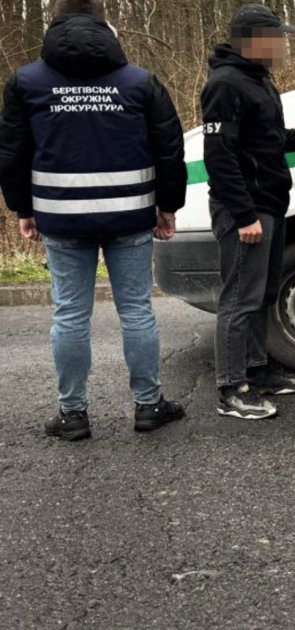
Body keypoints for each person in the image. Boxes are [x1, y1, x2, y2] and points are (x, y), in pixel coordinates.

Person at [0, 0, 188, 441]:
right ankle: (148, 405)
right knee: (137, 311)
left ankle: (73, 414)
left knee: (70, 315)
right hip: (130, 215)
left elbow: (11, 152)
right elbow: (169, 147)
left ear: (54, 24)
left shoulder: (26, 83)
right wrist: (169, 206)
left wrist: (23, 209)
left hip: (61, 217)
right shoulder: (139, 81)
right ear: (105, 25)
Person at [202, 4, 295, 420]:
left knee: (262, 294)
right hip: (245, 209)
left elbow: (269, 138)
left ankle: (257, 370)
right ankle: (231, 389)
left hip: (270, 202)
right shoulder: (225, 84)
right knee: (239, 298)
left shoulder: (258, 80)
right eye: (276, 38)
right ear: (253, 41)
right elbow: (220, 155)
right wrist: (244, 214)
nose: (282, 45)